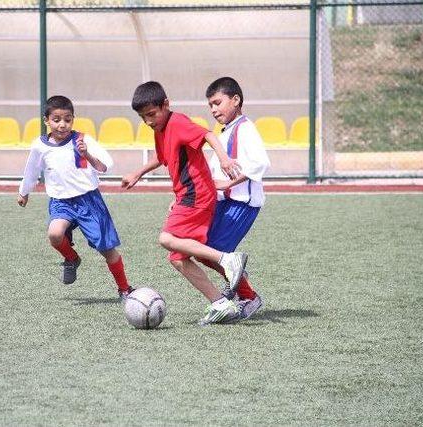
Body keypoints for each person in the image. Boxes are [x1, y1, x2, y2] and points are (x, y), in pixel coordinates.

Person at [121, 81, 248, 326]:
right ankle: (220, 304)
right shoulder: (159, 129)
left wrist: (223, 159)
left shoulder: (177, 122)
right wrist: (138, 172)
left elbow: (208, 134)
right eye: (142, 117)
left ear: (165, 105)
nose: (148, 121)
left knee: (166, 239)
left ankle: (227, 260)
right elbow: (163, 157)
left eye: (151, 114)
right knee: (178, 258)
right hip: (186, 196)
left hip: (197, 194)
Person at [17, 95, 133, 300]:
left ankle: (124, 289)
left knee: (107, 250)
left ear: (73, 119)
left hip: (89, 201)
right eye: (56, 119)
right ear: (46, 121)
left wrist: (87, 154)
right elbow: (31, 170)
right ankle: (71, 258)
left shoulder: (82, 140)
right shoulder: (39, 146)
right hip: (61, 203)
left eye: (67, 119)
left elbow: (105, 166)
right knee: (54, 234)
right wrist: (24, 191)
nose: (62, 125)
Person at [202, 77, 271, 321]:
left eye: (217, 102)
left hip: (241, 205)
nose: (213, 109)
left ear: (236, 100)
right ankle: (240, 281)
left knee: (212, 251)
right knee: (202, 249)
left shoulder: (246, 128)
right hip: (224, 203)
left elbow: (260, 163)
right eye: (210, 105)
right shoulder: (226, 132)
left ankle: (248, 296)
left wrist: (229, 184)